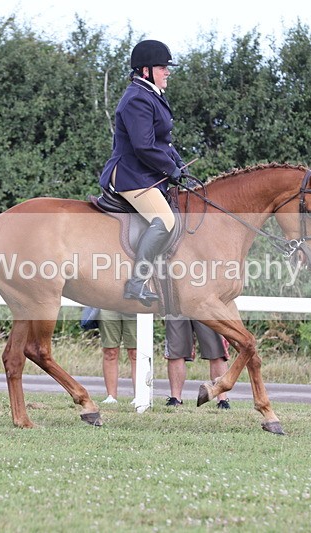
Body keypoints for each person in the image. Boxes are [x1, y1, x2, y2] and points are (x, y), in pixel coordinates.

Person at [99, 39, 188, 306]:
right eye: (162, 67)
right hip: (131, 174)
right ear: (146, 70)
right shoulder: (137, 98)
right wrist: (169, 168)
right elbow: (143, 146)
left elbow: (163, 142)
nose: (167, 72)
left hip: (146, 173)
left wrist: (179, 166)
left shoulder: (151, 95)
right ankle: (136, 282)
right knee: (166, 219)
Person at [164, 316, 231, 409]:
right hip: (176, 304)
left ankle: (222, 400)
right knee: (175, 350)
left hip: (206, 305)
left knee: (217, 350)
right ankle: (175, 399)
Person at [97, 309, 137, 404]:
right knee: (110, 352)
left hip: (135, 303)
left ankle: (139, 396)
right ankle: (111, 397)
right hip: (108, 304)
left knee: (135, 353)